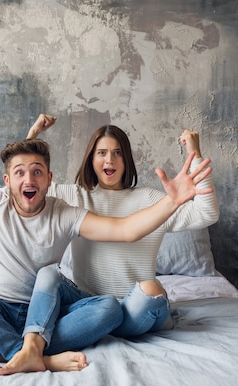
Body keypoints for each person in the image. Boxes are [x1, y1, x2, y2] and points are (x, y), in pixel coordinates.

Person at [0, 73, 213, 375]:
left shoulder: (65, 211)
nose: (29, 179)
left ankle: (13, 350)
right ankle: (26, 352)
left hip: (45, 313)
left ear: (49, 180)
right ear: (6, 181)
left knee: (100, 305)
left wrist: (172, 200)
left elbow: (124, 230)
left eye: (37, 172)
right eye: (20, 173)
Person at [26, 114, 219, 338]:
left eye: (117, 153)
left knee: (151, 289)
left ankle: (103, 327)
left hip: (135, 306)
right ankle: (47, 339)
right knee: (49, 276)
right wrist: (33, 136)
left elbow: (207, 213)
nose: (110, 160)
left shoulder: (152, 200)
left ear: (126, 159)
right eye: (102, 153)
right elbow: (27, 190)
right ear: (91, 159)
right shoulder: (75, 196)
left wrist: (195, 155)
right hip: (90, 305)